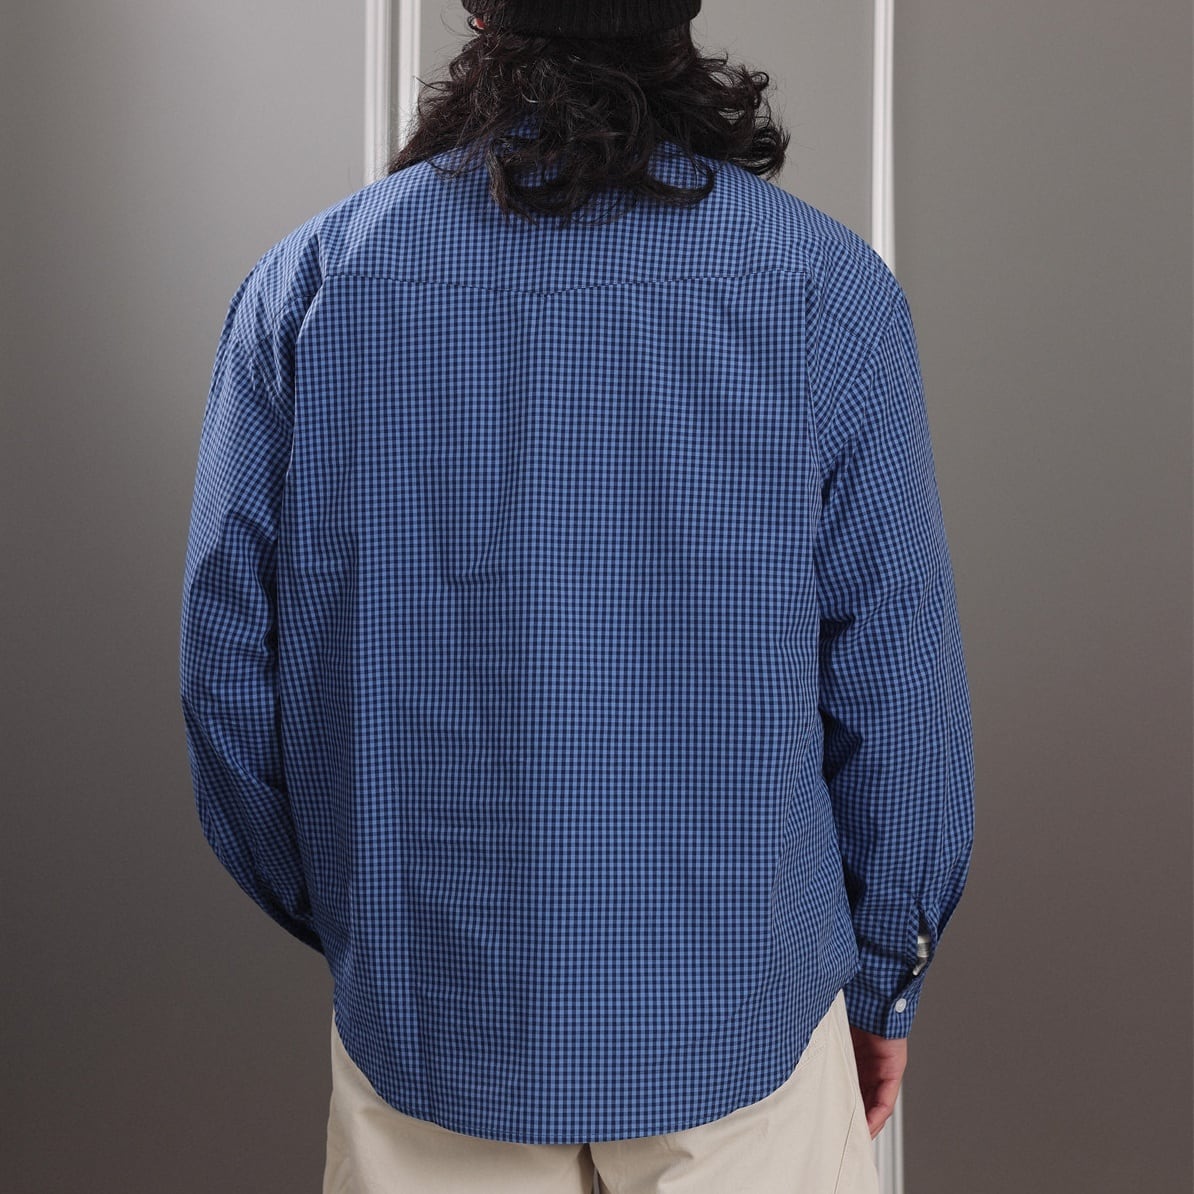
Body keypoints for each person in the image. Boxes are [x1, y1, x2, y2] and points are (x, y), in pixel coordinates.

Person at [178, 2, 975, 1191]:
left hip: (429, 1042)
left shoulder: (312, 286)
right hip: (748, 1042)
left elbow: (229, 688)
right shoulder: (824, 289)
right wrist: (879, 976)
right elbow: (899, 693)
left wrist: (375, 926)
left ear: (478, 8)